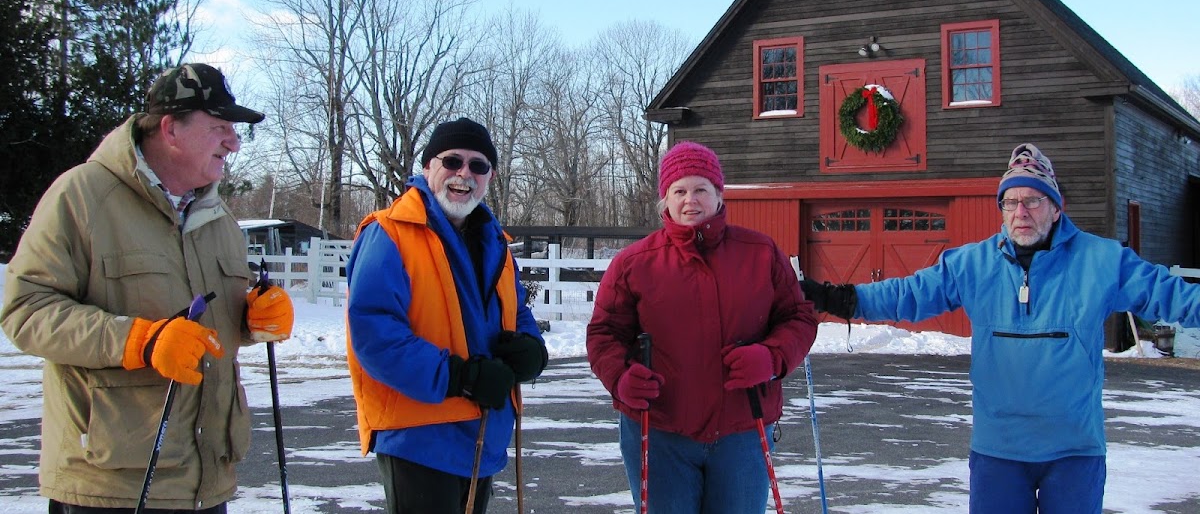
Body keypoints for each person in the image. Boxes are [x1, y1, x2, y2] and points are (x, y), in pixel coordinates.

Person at [802, 143, 1200, 514]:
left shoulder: (1103, 262)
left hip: (1074, 450)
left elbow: (1170, 293)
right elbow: (911, 294)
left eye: (1032, 200)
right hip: (999, 451)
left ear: (1056, 208)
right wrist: (839, 299)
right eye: (1010, 202)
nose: (1020, 212)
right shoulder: (973, 265)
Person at [1, 63, 295, 513]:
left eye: (233, 131)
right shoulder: (81, 196)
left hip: (206, 480)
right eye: (219, 127)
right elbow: (26, 310)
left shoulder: (219, 220)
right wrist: (139, 340)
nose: (233, 143)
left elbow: (204, 327)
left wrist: (252, 320)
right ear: (170, 130)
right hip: (111, 483)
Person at [587, 141, 819, 514]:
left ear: (719, 194)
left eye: (700, 189)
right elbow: (603, 333)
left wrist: (772, 357)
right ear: (665, 199)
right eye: (679, 191)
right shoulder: (634, 262)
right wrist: (620, 377)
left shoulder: (760, 252)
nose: (690, 200)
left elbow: (799, 317)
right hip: (660, 430)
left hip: (743, 429)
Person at [345, 117, 547, 514]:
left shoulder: (496, 243)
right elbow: (375, 334)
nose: (463, 174)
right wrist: (461, 378)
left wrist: (531, 349)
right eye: (452, 161)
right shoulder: (389, 233)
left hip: (483, 432)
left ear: (490, 176)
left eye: (478, 165)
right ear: (426, 168)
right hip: (419, 435)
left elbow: (516, 311)